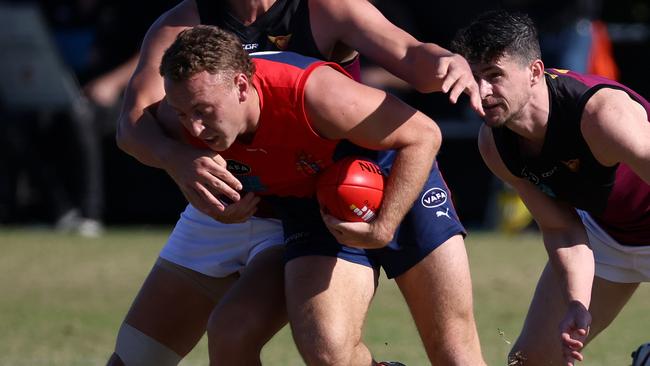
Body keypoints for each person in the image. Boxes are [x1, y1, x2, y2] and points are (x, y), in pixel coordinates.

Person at [109, 1, 486, 365]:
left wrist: (445, 63)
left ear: (242, 85)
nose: (192, 125)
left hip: (349, 178)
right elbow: (133, 124)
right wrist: (179, 161)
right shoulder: (182, 25)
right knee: (216, 341)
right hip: (252, 193)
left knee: (455, 353)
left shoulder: (320, 37)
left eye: (201, 111)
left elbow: (410, 58)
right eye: (184, 113)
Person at [451, 10, 650, 366]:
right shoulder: (494, 144)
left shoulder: (601, 115)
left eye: (494, 76)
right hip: (606, 234)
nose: (482, 92)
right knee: (532, 362)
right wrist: (577, 301)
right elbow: (561, 228)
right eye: (475, 78)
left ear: (535, 72)